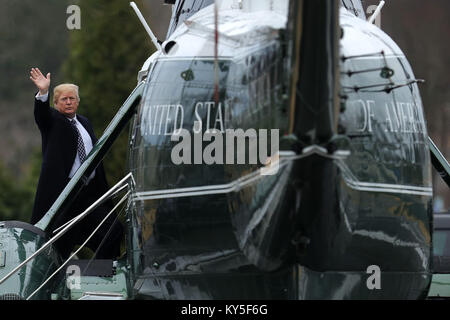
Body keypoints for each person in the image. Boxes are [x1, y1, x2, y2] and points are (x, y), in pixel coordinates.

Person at [29, 67, 123, 260]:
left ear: (78, 101)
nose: (69, 102)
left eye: (72, 98)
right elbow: (42, 115)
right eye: (64, 99)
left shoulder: (84, 122)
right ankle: (57, 282)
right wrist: (43, 92)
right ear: (56, 103)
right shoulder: (53, 121)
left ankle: (101, 275)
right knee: (59, 244)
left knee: (112, 231)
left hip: (90, 193)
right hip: (65, 196)